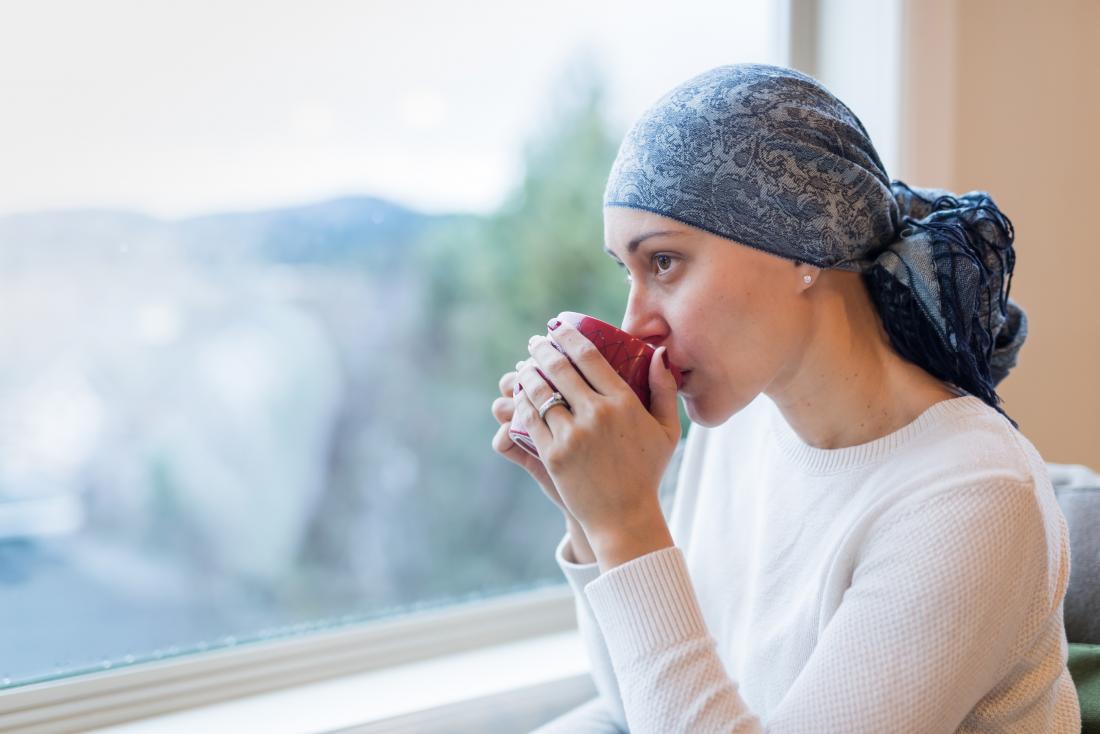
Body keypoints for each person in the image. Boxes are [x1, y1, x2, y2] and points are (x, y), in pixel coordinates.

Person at [489, 63, 1080, 733]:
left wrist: (629, 527)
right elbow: (644, 708)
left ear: (806, 240)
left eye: (663, 262)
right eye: (626, 271)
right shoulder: (739, 421)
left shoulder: (973, 496)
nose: (634, 325)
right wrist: (591, 519)